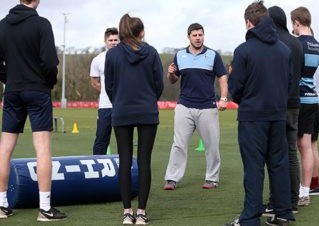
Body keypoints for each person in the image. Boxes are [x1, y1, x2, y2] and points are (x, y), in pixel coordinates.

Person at [0, 0, 67, 221]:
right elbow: (50, 62)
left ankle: (1, 205)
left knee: (4, 149)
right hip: (37, 91)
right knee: (43, 150)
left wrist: (10, 78)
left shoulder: (2, 25)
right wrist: (47, 82)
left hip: (13, 91)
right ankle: (45, 209)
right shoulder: (41, 24)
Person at [225, 0, 295, 226]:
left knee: (254, 168)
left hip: (252, 117)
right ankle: (283, 212)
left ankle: (250, 218)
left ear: (248, 22)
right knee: (279, 164)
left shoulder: (243, 50)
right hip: (277, 114)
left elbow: (235, 88)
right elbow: (290, 83)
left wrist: (248, 100)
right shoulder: (284, 50)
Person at [105, 14, 163, 225]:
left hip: (122, 111)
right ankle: (142, 213)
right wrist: (148, 101)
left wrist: (120, 101)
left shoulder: (112, 55)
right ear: (142, 32)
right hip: (147, 111)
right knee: (144, 161)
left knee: (125, 162)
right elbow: (159, 84)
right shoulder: (152, 52)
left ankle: (127, 212)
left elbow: (109, 86)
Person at [163, 23, 228, 190]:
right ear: (189, 37)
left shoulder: (213, 55)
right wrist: (170, 74)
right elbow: (173, 80)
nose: (198, 38)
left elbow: (222, 77)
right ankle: (171, 179)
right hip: (184, 106)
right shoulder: (179, 55)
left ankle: (212, 179)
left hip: (207, 107)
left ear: (203, 36)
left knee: (212, 145)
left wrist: (223, 98)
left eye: (200, 35)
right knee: (178, 144)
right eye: (195, 35)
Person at [262, 5, 304, 216]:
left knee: (275, 155)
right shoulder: (296, 42)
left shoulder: (273, 41)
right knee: (290, 153)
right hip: (295, 104)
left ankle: (274, 202)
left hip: (277, 105)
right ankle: (293, 201)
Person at [290, 6, 319, 206]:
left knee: (292, 147)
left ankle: (295, 191)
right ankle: (305, 190)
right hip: (313, 98)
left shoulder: (296, 43)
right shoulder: (317, 44)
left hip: (299, 98)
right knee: (308, 147)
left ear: (296, 22)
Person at [90, 27, 119, 155]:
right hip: (105, 106)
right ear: (105, 41)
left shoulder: (126, 58)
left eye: (116, 40)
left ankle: (124, 168)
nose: (113, 42)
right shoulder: (98, 60)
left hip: (121, 105)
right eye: (110, 40)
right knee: (101, 139)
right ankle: (97, 167)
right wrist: (108, 93)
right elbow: (94, 81)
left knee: (123, 140)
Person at [310, 64, 319, 195]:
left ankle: (312, 185)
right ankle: (313, 184)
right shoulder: (316, 56)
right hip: (318, 104)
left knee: (308, 147)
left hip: (310, 104)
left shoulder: (306, 55)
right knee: (312, 146)